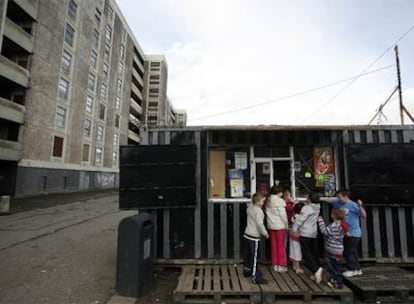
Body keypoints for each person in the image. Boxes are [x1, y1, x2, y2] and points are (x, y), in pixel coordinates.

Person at [321, 189, 367, 277]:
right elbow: (330, 200)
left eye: (340, 197)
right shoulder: (338, 202)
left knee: (347, 251)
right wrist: (320, 198)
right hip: (345, 232)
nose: (338, 199)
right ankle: (357, 269)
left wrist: (360, 206)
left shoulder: (353, 205)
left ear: (346, 196)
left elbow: (364, 216)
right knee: (353, 252)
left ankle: (352, 269)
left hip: (353, 233)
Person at [292, 192, 323, 284]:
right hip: (313, 232)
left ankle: (316, 269)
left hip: (305, 232)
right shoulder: (317, 207)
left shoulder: (306, 208)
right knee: (314, 252)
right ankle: (316, 272)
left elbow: (300, 219)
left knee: (306, 253)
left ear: (309, 199)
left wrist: (294, 229)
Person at [318, 209, 349, 289]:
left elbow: (324, 231)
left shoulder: (333, 226)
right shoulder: (343, 226)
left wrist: (320, 221)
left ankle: (338, 283)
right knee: (337, 267)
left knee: (332, 267)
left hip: (331, 249)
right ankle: (335, 281)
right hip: (339, 250)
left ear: (333, 216)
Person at [243, 193, 269, 284]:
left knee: (248, 255)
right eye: (262, 201)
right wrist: (265, 233)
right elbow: (259, 224)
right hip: (254, 236)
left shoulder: (249, 208)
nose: (263, 202)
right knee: (255, 257)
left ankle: (247, 271)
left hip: (247, 234)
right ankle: (255, 277)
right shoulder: (259, 211)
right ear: (258, 202)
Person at [266, 185, 289, 272]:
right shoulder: (280, 201)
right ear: (278, 192)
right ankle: (281, 265)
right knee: (281, 246)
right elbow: (283, 215)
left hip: (271, 226)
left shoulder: (268, 200)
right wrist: (286, 224)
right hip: (280, 226)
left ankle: (274, 264)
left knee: (274, 246)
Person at [289, 202, 305, 273]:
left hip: (292, 236)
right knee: (298, 252)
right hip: (297, 236)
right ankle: (298, 267)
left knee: (293, 251)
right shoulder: (300, 218)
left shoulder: (294, 216)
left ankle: (294, 266)